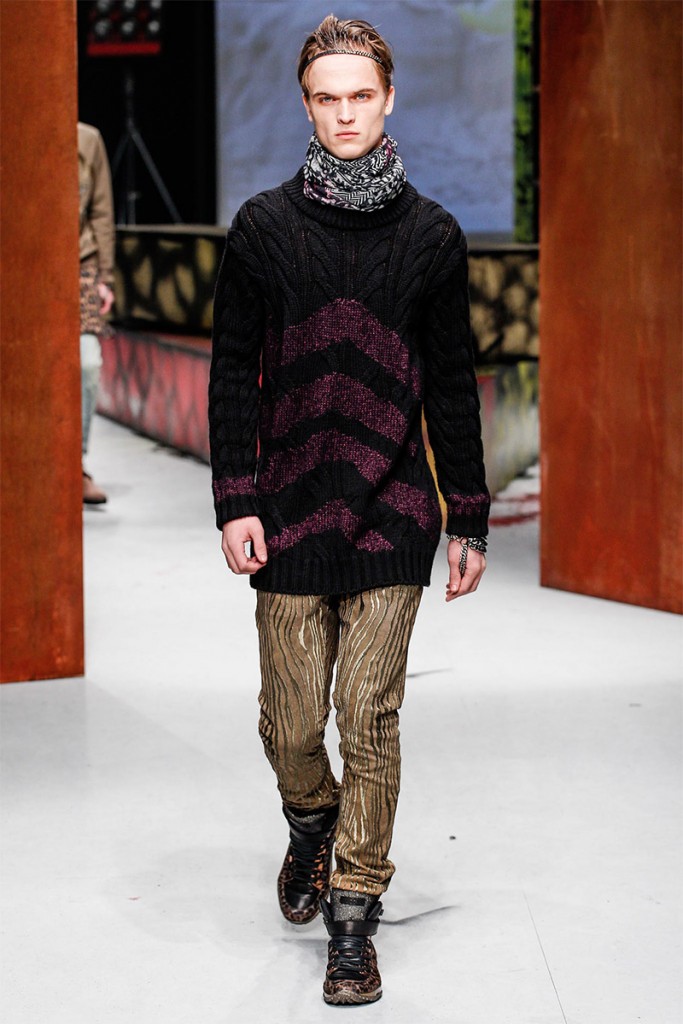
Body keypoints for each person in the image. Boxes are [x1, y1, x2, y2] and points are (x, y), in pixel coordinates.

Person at [208, 15, 489, 1006]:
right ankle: (310, 823)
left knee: (368, 716)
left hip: (393, 510)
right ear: (304, 105)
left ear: (388, 98)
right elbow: (231, 374)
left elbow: (449, 382)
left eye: (358, 96)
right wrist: (235, 498)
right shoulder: (261, 229)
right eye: (325, 98)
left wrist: (466, 512)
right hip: (285, 510)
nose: (343, 114)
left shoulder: (431, 237)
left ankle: (353, 916)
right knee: (290, 724)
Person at [78, 121, 115, 505]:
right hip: (25, 267)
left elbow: (101, 211)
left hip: (80, 265)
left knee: (87, 364)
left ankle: (76, 463)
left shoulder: (87, 140)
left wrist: (105, 276)